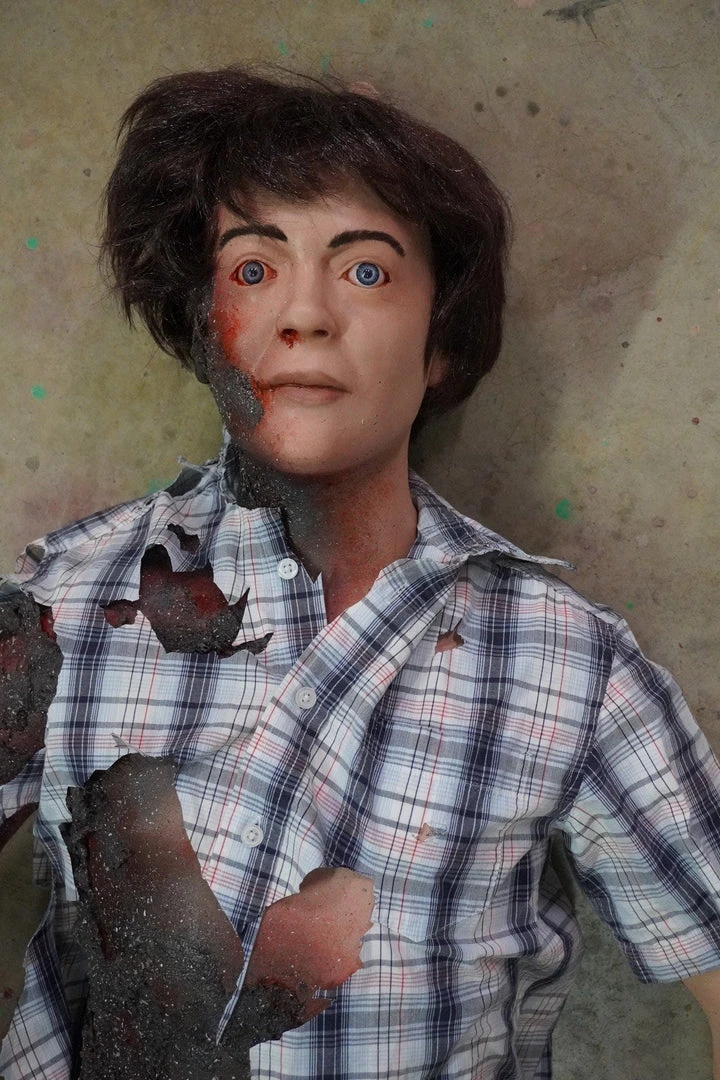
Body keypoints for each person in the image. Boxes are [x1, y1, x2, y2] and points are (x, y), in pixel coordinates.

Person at [1, 66, 720, 1080]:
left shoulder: (568, 663)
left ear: (441, 344)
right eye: (254, 269)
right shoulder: (69, 603)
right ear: (203, 324)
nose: (304, 314)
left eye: (367, 272)